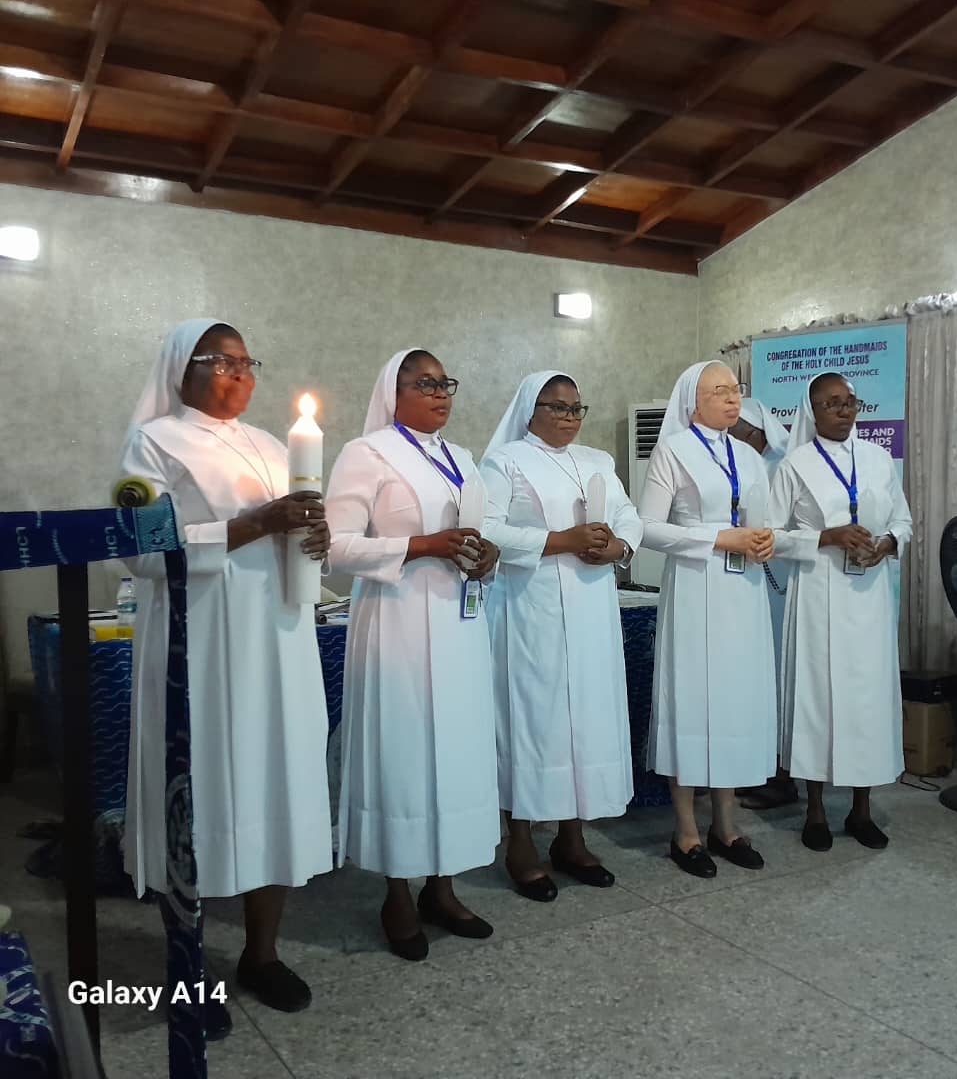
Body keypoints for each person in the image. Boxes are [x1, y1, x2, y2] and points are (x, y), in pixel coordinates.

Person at [120, 319, 333, 1031]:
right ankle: (187, 964)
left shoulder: (276, 446)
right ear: (182, 368)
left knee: (275, 779)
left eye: (248, 363)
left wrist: (314, 537)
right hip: (201, 641)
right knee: (205, 786)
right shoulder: (153, 441)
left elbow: (298, 544)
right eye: (223, 361)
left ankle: (262, 953)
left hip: (278, 638)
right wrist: (250, 525)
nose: (240, 375)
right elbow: (140, 554)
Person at [326, 349, 501, 961]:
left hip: (460, 623)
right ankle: (397, 891)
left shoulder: (462, 458)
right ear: (393, 392)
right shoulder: (367, 452)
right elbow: (335, 547)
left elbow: (479, 530)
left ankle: (443, 888)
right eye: (424, 383)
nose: (440, 393)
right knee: (403, 752)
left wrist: (490, 554)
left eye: (445, 382)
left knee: (455, 752)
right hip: (397, 622)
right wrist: (421, 545)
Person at [480, 371, 642, 901]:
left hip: (593, 608)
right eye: (558, 407)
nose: (570, 417)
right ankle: (521, 843)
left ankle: (573, 839)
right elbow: (486, 528)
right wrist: (558, 540)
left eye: (576, 408)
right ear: (530, 410)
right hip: (532, 613)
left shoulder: (599, 462)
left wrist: (619, 547)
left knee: (586, 724)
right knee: (532, 721)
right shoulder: (505, 461)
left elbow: (628, 517)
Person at [637, 361, 778, 879]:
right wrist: (719, 538)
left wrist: (765, 540)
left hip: (743, 593)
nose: (731, 397)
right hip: (697, 590)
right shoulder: (673, 449)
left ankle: (726, 823)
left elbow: (762, 520)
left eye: (735, 389)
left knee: (735, 703)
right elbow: (647, 527)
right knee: (694, 700)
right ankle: (686, 830)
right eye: (718, 390)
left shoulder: (748, 455)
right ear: (692, 402)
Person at [768, 372, 912, 852]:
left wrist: (888, 543)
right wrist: (826, 537)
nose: (845, 410)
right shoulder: (794, 466)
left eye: (851, 401)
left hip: (868, 596)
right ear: (812, 411)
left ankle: (861, 810)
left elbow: (903, 520)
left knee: (865, 700)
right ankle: (814, 811)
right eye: (833, 403)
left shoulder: (877, 459)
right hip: (816, 597)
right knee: (818, 698)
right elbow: (772, 536)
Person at [729, 397, 799, 810]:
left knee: (777, 681)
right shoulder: (734, 464)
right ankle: (748, 767)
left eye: (737, 431)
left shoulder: (780, 468)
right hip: (747, 586)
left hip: (780, 589)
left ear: (756, 433)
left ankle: (780, 774)